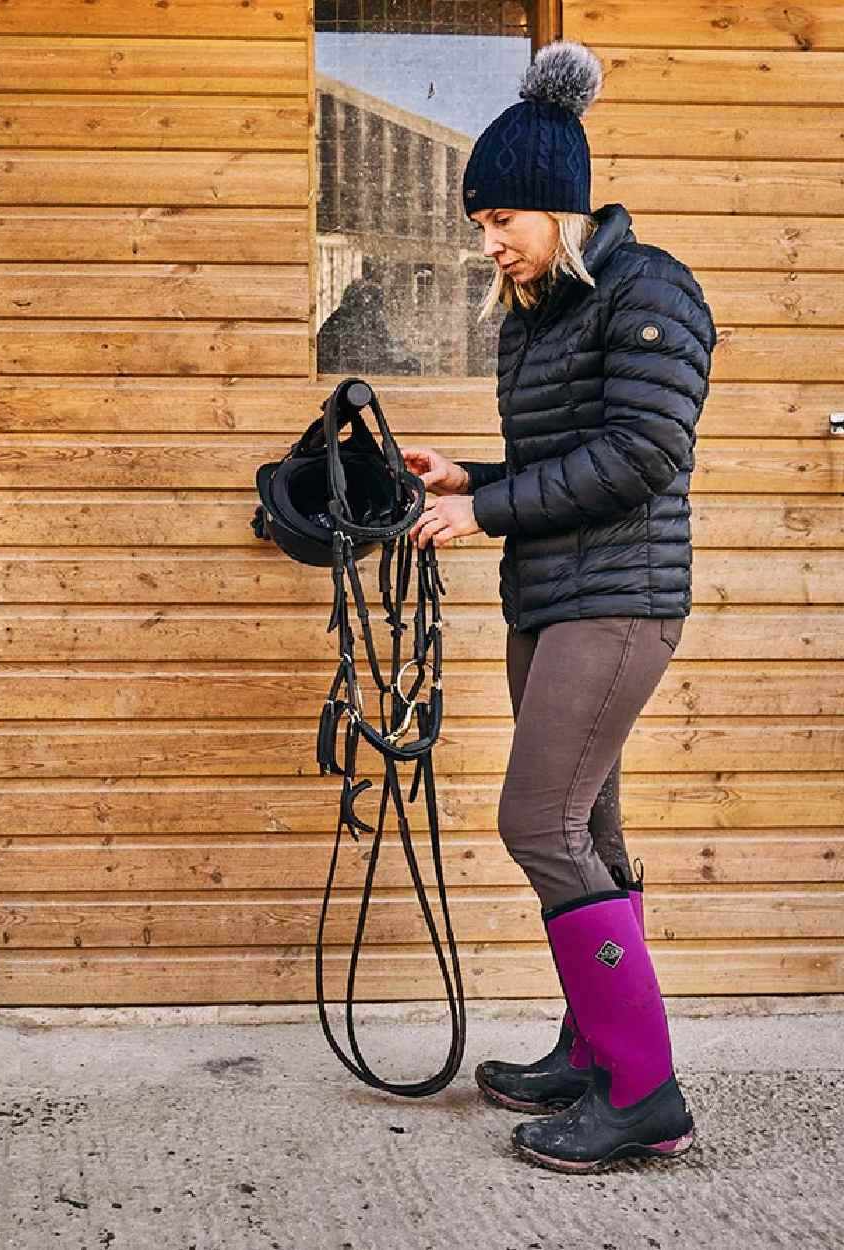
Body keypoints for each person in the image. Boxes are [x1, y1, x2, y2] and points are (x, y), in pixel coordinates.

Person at [403, 39, 718, 1173]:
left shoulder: (649, 289)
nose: (488, 243)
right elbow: (567, 454)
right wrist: (474, 481)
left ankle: (643, 1092)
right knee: (585, 831)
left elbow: (640, 451)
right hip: (554, 594)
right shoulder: (538, 311)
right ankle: (594, 1052)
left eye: (503, 221)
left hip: (618, 601)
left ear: (559, 204)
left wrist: (489, 515)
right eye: (479, 224)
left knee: (536, 822)